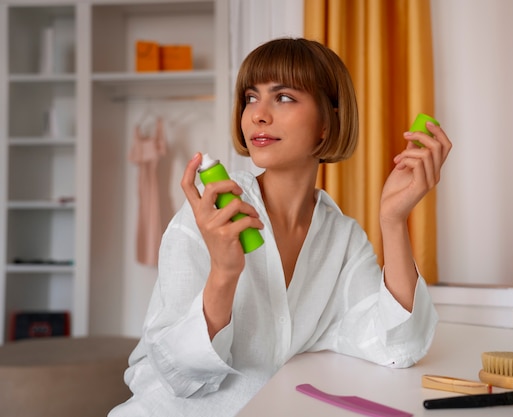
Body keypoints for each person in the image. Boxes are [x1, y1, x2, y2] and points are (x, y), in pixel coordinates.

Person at [109, 37, 452, 417]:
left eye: (284, 97)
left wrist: (393, 219)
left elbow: (398, 346)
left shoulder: (341, 238)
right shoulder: (211, 216)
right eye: (251, 97)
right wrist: (224, 273)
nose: (258, 114)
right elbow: (180, 375)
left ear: (327, 122)